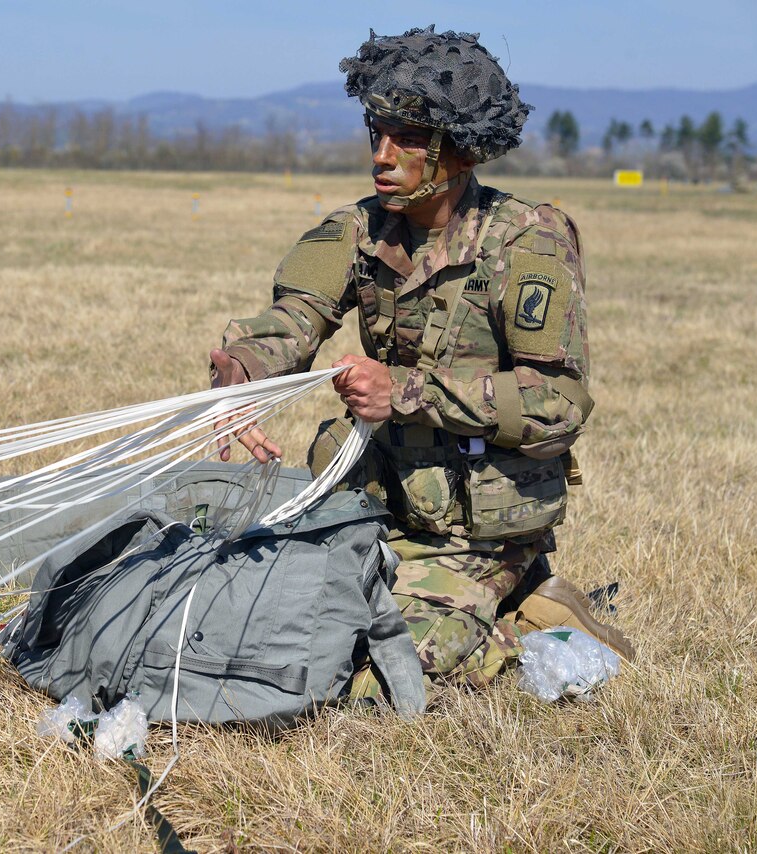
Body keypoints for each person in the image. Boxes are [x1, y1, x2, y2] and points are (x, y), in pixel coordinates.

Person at [210, 26, 634, 692]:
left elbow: (557, 403)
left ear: (460, 149)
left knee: (379, 676)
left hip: (482, 526)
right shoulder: (356, 229)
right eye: (376, 131)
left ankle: (525, 607)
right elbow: (293, 318)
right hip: (382, 500)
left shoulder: (527, 241)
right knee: (266, 623)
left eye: (407, 137)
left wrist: (407, 392)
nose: (382, 155)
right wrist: (238, 378)